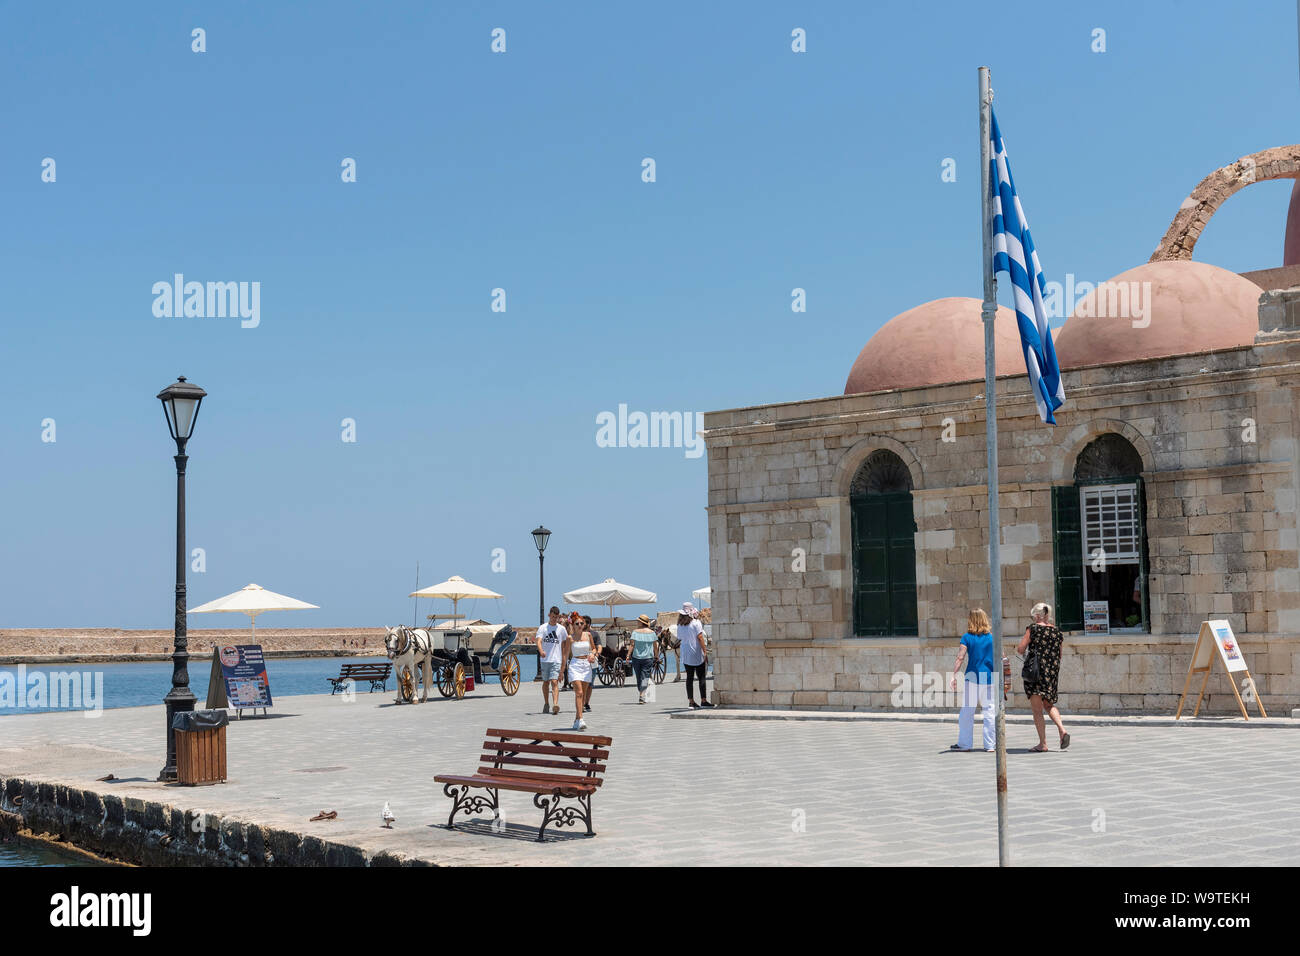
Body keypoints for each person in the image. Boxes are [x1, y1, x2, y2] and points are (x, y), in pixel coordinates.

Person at [1017, 601, 1069, 752]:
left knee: (1037, 710)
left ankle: (1043, 743)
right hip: (1051, 674)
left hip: (1035, 673)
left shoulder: (1032, 629)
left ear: (1038, 615)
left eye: (1034, 616)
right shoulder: (1057, 631)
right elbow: (1059, 655)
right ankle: (1062, 729)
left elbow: (1021, 649)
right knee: (1049, 704)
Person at [949, 608, 996, 752]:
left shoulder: (967, 637)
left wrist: (953, 675)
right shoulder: (991, 637)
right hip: (990, 676)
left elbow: (960, 657)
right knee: (990, 711)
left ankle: (965, 744)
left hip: (973, 677)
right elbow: (1001, 656)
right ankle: (990, 745)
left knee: (967, 712)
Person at [563, 617, 596, 730]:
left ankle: (577, 719)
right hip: (575, 664)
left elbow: (594, 649)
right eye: (577, 623)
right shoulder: (570, 638)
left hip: (586, 665)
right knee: (579, 693)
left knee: (584, 694)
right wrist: (562, 671)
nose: (580, 625)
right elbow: (565, 655)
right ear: (573, 625)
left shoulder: (588, 635)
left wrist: (592, 654)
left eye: (582, 623)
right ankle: (581, 720)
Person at [535, 606, 567, 715]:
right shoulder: (543, 628)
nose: (554, 619)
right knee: (546, 682)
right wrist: (541, 651)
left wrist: (563, 662)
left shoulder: (561, 629)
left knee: (554, 681)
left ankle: (555, 704)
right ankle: (546, 703)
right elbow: (538, 641)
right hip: (545, 660)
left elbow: (564, 646)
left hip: (556, 659)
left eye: (556, 617)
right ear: (549, 615)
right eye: (553, 617)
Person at [678, 603, 711, 708]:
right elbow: (700, 637)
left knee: (689, 678)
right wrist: (705, 651)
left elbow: (680, 637)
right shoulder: (696, 623)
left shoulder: (679, 625)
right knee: (701, 677)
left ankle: (691, 701)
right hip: (696, 652)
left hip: (685, 653)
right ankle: (703, 700)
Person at [630, 614, 660, 703]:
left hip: (636, 657)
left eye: (638, 621)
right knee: (644, 677)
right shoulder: (652, 633)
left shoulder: (635, 632)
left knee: (639, 677)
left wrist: (628, 655)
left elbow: (632, 645)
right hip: (648, 658)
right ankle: (642, 693)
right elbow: (655, 646)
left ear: (641, 622)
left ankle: (641, 695)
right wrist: (657, 656)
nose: (637, 622)